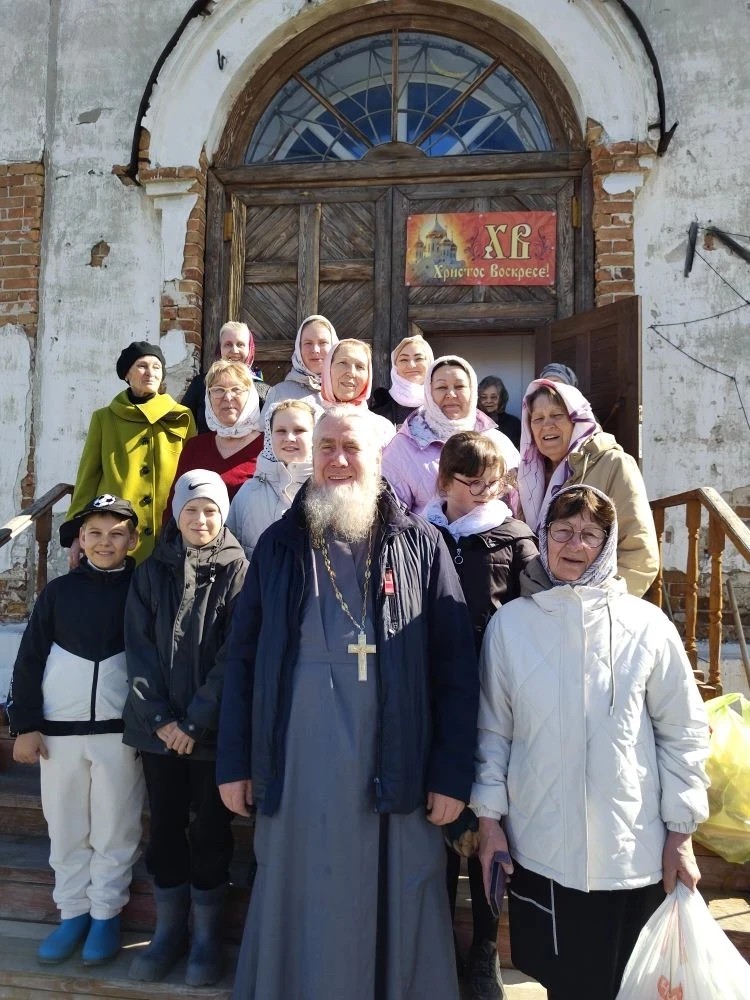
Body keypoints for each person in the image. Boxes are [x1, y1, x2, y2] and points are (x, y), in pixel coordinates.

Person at [217, 406, 479, 1000]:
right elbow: (244, 661)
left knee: (400, 892)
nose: (338, 460)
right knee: (301, 890)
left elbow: (455, 670)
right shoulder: (278, 546)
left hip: (397, 762)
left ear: (379, 456)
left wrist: (450, 774)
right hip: (298, 766)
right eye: (326, 447)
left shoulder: (422, 544)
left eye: (351, 447)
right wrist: (234, 762)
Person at [472, 485, 710, 1000]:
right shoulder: (510, 626)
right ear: (544, 537)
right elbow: (493, 733)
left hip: (632, 853)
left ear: (608, 543)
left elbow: (683, 733)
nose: (574, 545)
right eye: (562, 530)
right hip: (541, 850)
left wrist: (681, 833)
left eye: (590, 534)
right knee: (564, 986)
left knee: (630, 987)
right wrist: (489, 822)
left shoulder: (647, 626)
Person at [7, 495, 144, 967]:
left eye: (116, 534)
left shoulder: (143, 590)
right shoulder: (58, 594)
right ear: (80, 540)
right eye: (95, 534)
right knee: (66, 826)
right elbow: (29, 661)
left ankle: (106, 913)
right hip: (58, 736)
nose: (105, 543)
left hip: (119, 734)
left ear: (133, 540)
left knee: (115, 826)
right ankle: (73, 913)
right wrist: (26, 724)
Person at [423, 432, 537, 999]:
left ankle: (485, 952)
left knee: (490, 821)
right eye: (472, 483)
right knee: (441, 818)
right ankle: (441, 943)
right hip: (434, 694)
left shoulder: (514, 538)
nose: (484, 493)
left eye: (493, 483)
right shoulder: (421, 534)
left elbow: (536, 607)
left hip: (495, 696)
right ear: (445, 481)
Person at [123, 470, 247, 987]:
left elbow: (233, 655)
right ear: (177, 515)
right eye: (191, 510)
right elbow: (139, 649)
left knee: (212, 833)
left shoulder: (239, 571)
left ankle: (206, 937)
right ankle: (169, 931)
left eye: (210, 511)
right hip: (158, 733)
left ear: (223, 516)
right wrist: (162, 720)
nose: (200, 519)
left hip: (210, 736)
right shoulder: (152, 571)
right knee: (166, 828)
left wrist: (195, 721)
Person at [517, 377, 659, 597]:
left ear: (577, 420)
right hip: (539, 599)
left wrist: (605, 603)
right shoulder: (528, 478)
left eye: (557, 415)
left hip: (596, 602)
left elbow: (639, 553)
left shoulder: (614, 464)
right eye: (538, 418)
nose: (547, 425)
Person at [62, 341, 196, 565]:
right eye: (142, 366)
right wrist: (76, 532)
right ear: (127, 375)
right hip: (116, 531)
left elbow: (193, 472)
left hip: (169, 530)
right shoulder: (104, 418)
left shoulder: (182, 416)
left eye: (156, 367)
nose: (150, 372)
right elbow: (88, 477)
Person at [382, 356, 520, 515]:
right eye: (441, 387)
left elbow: (517, 505)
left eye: (460, 386)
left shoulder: (498, 441)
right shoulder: (404, 446)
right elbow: (392, 516)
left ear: (472, 391)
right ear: (428, 392)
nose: (451, 394)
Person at [164, 359, 263, 517]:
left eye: (236, 389)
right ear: (208, 398)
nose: (227, 397)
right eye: (218, 390)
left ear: (250, 395)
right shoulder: (194, 447)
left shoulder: (268, 448)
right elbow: (174, 507)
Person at [227, 399, 316, 560]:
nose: (289, 438)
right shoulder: (248, 493)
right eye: (281, 431)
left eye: (299, 430)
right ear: (270, 435)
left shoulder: (325, 492)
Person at [182, 321, 269, 434]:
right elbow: (183, 424)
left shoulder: (263, 390)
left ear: (250, 349)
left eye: (240, 344)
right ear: (220, 349)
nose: (234, 350)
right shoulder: (200, 384)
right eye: (228, 344)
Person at [320, 338, 396, 447]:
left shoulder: (382, 428)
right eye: (343, 363)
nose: (351, 373)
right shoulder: (305, 420)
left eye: (360, 366)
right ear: (328, 368)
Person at [263, 314, 338, 410]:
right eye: (308, 343)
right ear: (299, 349)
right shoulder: (279, 393)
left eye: (323, 342)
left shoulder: (346, 390)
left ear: (333, 346)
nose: (315, 350)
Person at [370, 334, 434, 425]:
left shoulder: (445, 405)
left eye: (419, 358)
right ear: (395, 366)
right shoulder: (377, 413)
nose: (411, 365)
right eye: (404, 360)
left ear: (430, 363)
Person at [477, 375, 522, 449]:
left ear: (501, 398)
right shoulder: (473, 422)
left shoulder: (514, 424)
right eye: (484, 397)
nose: (489, 401)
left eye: (493, 397)